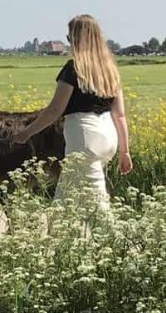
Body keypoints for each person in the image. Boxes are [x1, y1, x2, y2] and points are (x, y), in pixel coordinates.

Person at [12, 14, 131, 208]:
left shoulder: (74, 68)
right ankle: (65, 227)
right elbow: (120, 115)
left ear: (76, 38)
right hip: (109, 137)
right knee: (69, 194)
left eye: (69, 37)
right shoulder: (110, 69)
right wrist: (125, 151)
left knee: (91, 201)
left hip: (85, 138)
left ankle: (106, 228)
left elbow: (55, 109)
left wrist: (27, 132)